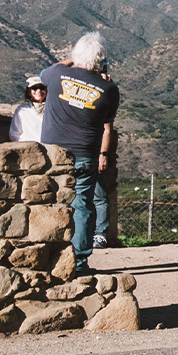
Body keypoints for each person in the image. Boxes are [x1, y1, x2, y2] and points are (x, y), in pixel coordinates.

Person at [40, 32, 120, 274]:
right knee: (82, 206)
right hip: (85, 154)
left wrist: (71, 61)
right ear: (102, 60)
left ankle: (47, 257)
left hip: (52, 152)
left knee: (49, 203)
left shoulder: (56, 75)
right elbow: (107, 120)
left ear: (76, 55)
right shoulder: (109, 89)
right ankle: (80, 262)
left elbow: (47, 71)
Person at [8, 76, 47, 142]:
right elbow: (14, 133)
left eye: (42, 88)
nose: (39, 91)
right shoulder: (22, 110)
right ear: (29, 92)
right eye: (34, 88)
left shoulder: (52, 108)